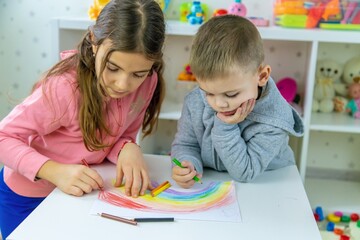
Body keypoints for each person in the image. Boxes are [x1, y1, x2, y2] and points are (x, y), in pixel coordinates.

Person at [0, 0, 165, 238]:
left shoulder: (148, 82)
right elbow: (3, 136)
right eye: (113, 68)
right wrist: (54, 171)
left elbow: (118, 134)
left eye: (137, 74)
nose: (123, 85)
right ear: (94, 42)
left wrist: (127, 147)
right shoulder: (64, 88)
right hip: (27, 198)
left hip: (80, 197)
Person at [171, 15, 304, 189]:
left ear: (262, 76)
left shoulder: (275, 119)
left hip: (268, 186)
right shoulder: (196, 99)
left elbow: (245, 172)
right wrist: (187, 164)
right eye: (208, 92)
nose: (219, 103)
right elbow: (186, 144)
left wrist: (224, 125)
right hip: (215, 183)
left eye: (231, 94)